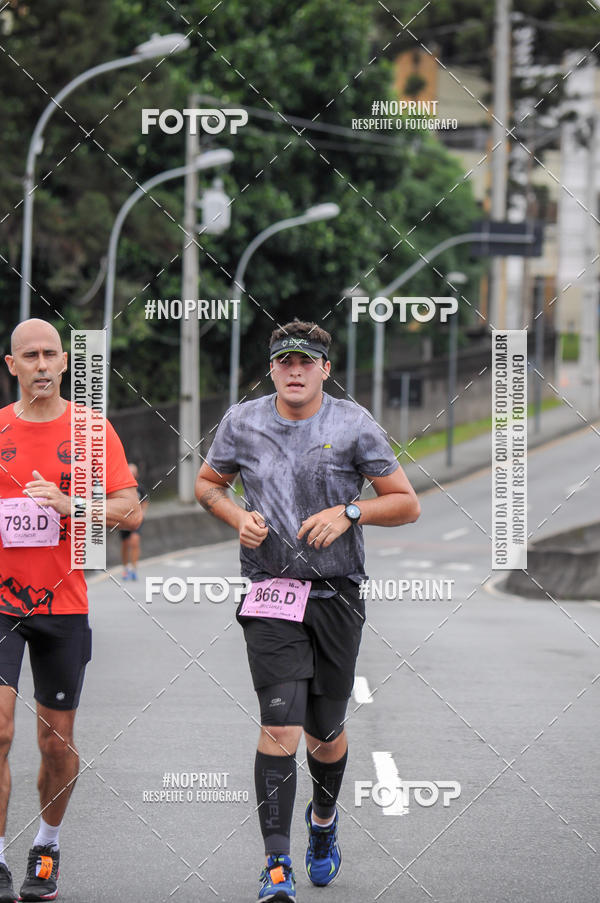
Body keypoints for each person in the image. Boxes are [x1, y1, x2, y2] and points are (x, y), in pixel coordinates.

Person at [195, 319, 420, 902]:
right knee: (280, 724)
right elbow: (207, 484)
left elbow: (405, 503)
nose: (294, 370)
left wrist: (350, 513)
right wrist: (235, 517)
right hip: (269, 591)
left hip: (337, 594)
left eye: (306, 361)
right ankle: (276, 867)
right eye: (284, 361)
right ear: (271, 368)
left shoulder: (353, 424)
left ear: (325, 369)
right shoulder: (242, 423)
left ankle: (322, 823)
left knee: (325, 733)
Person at [0, 319, 141, 902]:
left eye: (49, 354)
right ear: (12, 366)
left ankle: (47, 845)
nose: (39, 364)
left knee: (55, 743)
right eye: (27, 355)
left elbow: (130, 511)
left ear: (64, 363)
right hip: (1, 603)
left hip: (63, 603)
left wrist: (71, 503)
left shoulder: (90, 431)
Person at [119, 463, 148, 580]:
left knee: (135, 541)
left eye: (133, 473)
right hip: (124, 519)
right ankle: (126, 568)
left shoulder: (140, 488)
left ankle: (134, 568)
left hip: (136, 519)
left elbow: (145, 501)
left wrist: (142, 512)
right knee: (125, 543)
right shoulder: (121, 488)